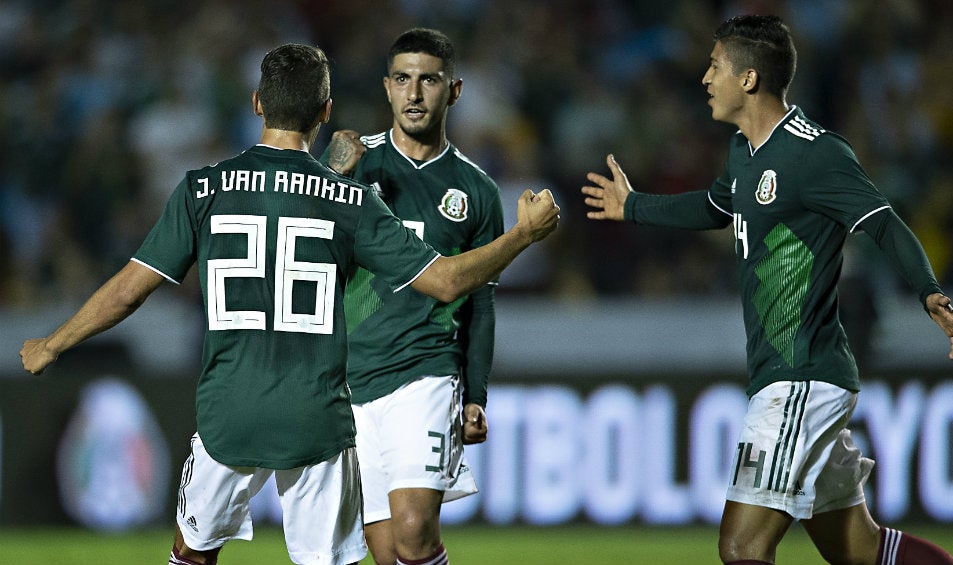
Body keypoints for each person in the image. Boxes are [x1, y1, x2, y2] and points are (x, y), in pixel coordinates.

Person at [20, 43, 559, 565]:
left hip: (229, 411)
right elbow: (445, 281)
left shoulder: (202, 189)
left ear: (257, 103)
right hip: (316, 418)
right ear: (325, 111)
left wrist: (53, 343)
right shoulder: (350, 202)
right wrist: (521, 237)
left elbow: (128, 290)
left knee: (192, 553)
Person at [581, 15, 953, 565]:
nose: (704, 78)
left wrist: (930, 293)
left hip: (801, 379)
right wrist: (635, 206)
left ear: (748, 79)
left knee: (742, 544)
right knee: (863, 551)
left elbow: (882, 221)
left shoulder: (815, 153)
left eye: (714, 65)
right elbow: (717, 207)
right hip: (792, 377)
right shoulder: (745, 152)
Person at [320, 28, 499, 565]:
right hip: (353, 378)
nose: (415, 94)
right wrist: (330, 177)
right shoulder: (355, 162)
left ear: (455, 90)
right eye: (403, 79)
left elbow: (481, 303)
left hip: (425, 372)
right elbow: (308, 255)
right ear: (386, 88)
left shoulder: (477, 190)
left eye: (429, 80)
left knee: (415, 528)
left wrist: (476, 394)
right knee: (387, 551)